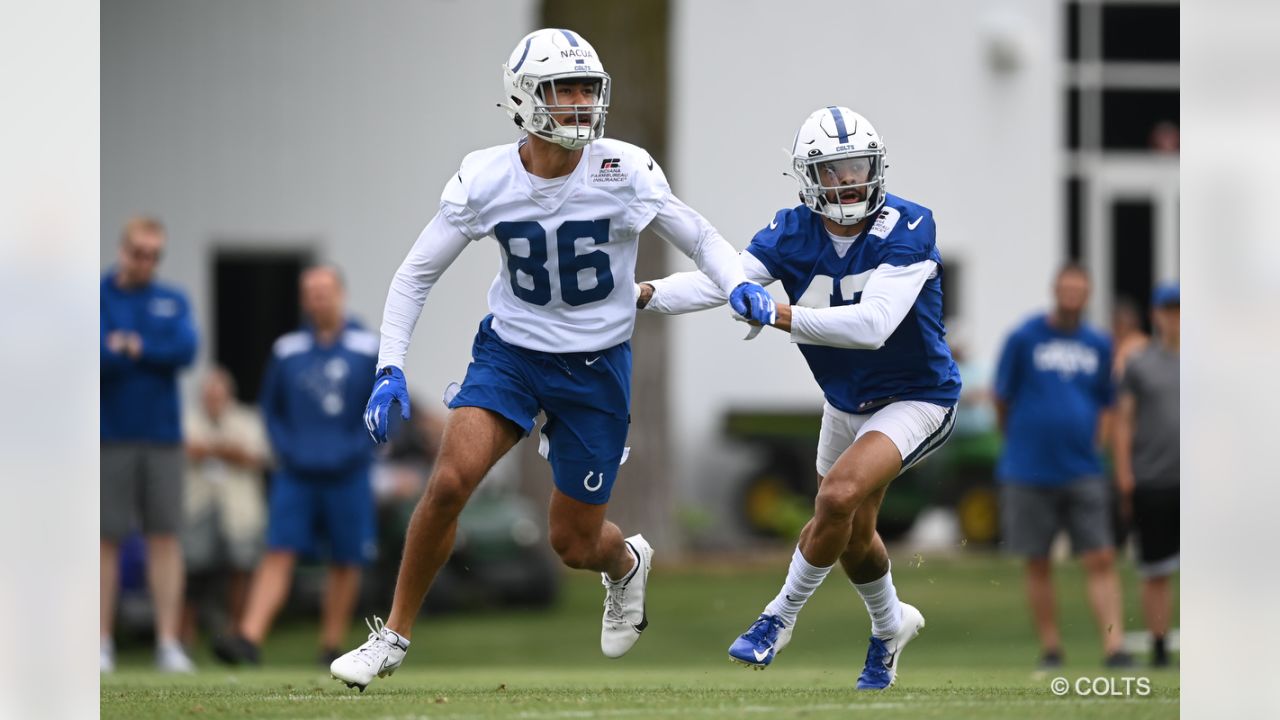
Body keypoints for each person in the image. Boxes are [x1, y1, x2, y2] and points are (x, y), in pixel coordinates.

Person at [328, 28, 771, 691]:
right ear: (523, 97)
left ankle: (623, 565)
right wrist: (390, 366)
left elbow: (700, 236)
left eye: (586, 90)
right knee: (449, 483)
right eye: (562, 90)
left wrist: (734, 280)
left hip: (596, 368)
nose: (577, 105)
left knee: (572, 544)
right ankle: (392, 636)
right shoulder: (486, 177)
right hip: (510, 353)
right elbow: (415, 275)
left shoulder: (624, 169)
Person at [638, 106, 961, 690]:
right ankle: (891, 625)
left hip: (918, 395)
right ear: (810, 178)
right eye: (834, 170)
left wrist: (780, 314)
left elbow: (874, 325)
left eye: (858, 166)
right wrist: (643, 294)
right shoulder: (792, 232)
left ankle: (777, 618)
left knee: (835, 497)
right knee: (851, 532)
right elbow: (723, 280)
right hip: (845, 401)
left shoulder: (909, 225)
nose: (850, 180)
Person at [213, 266, 380, 666]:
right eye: (310, 292)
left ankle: (331, 644)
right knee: (279, 551)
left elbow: (380, 402)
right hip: (297, 472)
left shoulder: (367, 346)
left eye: (325, 291)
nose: (317, 299)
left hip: (349, 472)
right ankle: (249, 639)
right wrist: (286, 449)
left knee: (345, 558)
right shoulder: (287, 349)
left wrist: (357, 449)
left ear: (341, 293)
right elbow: (271, 409)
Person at [994, 263, 1132, 668]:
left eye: (1079, 289)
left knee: (1101, 555)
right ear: (1055, 290)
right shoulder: (1024, 337)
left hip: (1083, 467)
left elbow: (1109, 400)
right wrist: (1017, 437)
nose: (1072, 295)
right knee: (1037, 558)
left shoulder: (1099, 344)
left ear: (1087, 295)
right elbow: (1002, 396)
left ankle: (1114, 647)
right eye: (1066, 288)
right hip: (1028, 468)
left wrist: (1099, 440)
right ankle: (1051, 648)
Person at [100, 215, 199, 673]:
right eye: (139, 253)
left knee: (165, 537)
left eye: (154, 255)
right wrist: (131, 352)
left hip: (163, 437)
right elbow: (93, 353)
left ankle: (167, 643)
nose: (146, 262)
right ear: (124, 250)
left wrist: (134, 348)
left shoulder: (172, 299)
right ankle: (100, 642)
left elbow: (184, 350)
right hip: (109, 436)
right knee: (105, 540)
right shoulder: (99, 294)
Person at [1113, 281, 1179, 667]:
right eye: (1169, 310)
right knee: (1156, 568)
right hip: (1154, 477)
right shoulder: (1139, 364)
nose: (1176, 318)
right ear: (1157, 315)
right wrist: (1124, 471)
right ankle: (1159, 645)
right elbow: (1123, 421)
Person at [180, 367, 269, 644]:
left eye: (219, 395)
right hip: (197, 507)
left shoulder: (248, 418)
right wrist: (227, 449)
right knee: (193, 571)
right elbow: (188, 450)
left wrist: (212, 449)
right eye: (209, 395)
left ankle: (237, 634)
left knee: (241, 568)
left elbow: (255, 456)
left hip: (239, 510)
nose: (214, 401)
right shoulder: (187, 419)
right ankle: (184, 638)